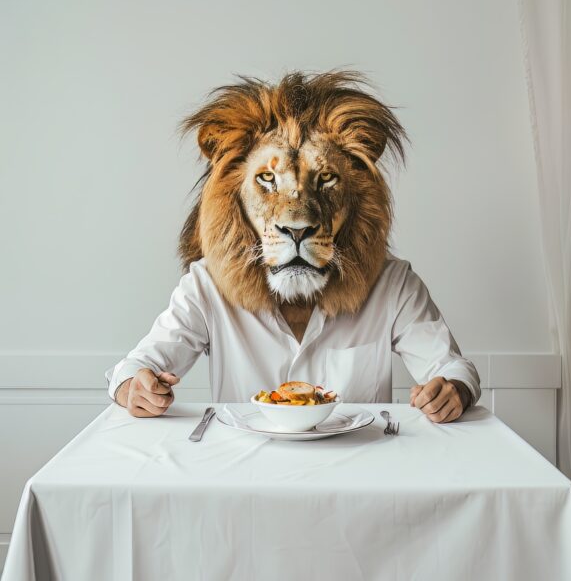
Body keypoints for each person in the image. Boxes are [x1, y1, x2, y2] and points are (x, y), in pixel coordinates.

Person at [106, 70, 480, 423]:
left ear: (355, 200)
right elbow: (136, 367)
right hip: (246, 469)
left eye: (327, 178)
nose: (296, 219)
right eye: (267, 179)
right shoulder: (207, 286)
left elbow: (451, 368)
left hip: (356, 467)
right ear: (234, 200)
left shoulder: (391, 283)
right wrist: (134, 388)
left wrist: (452, 391)